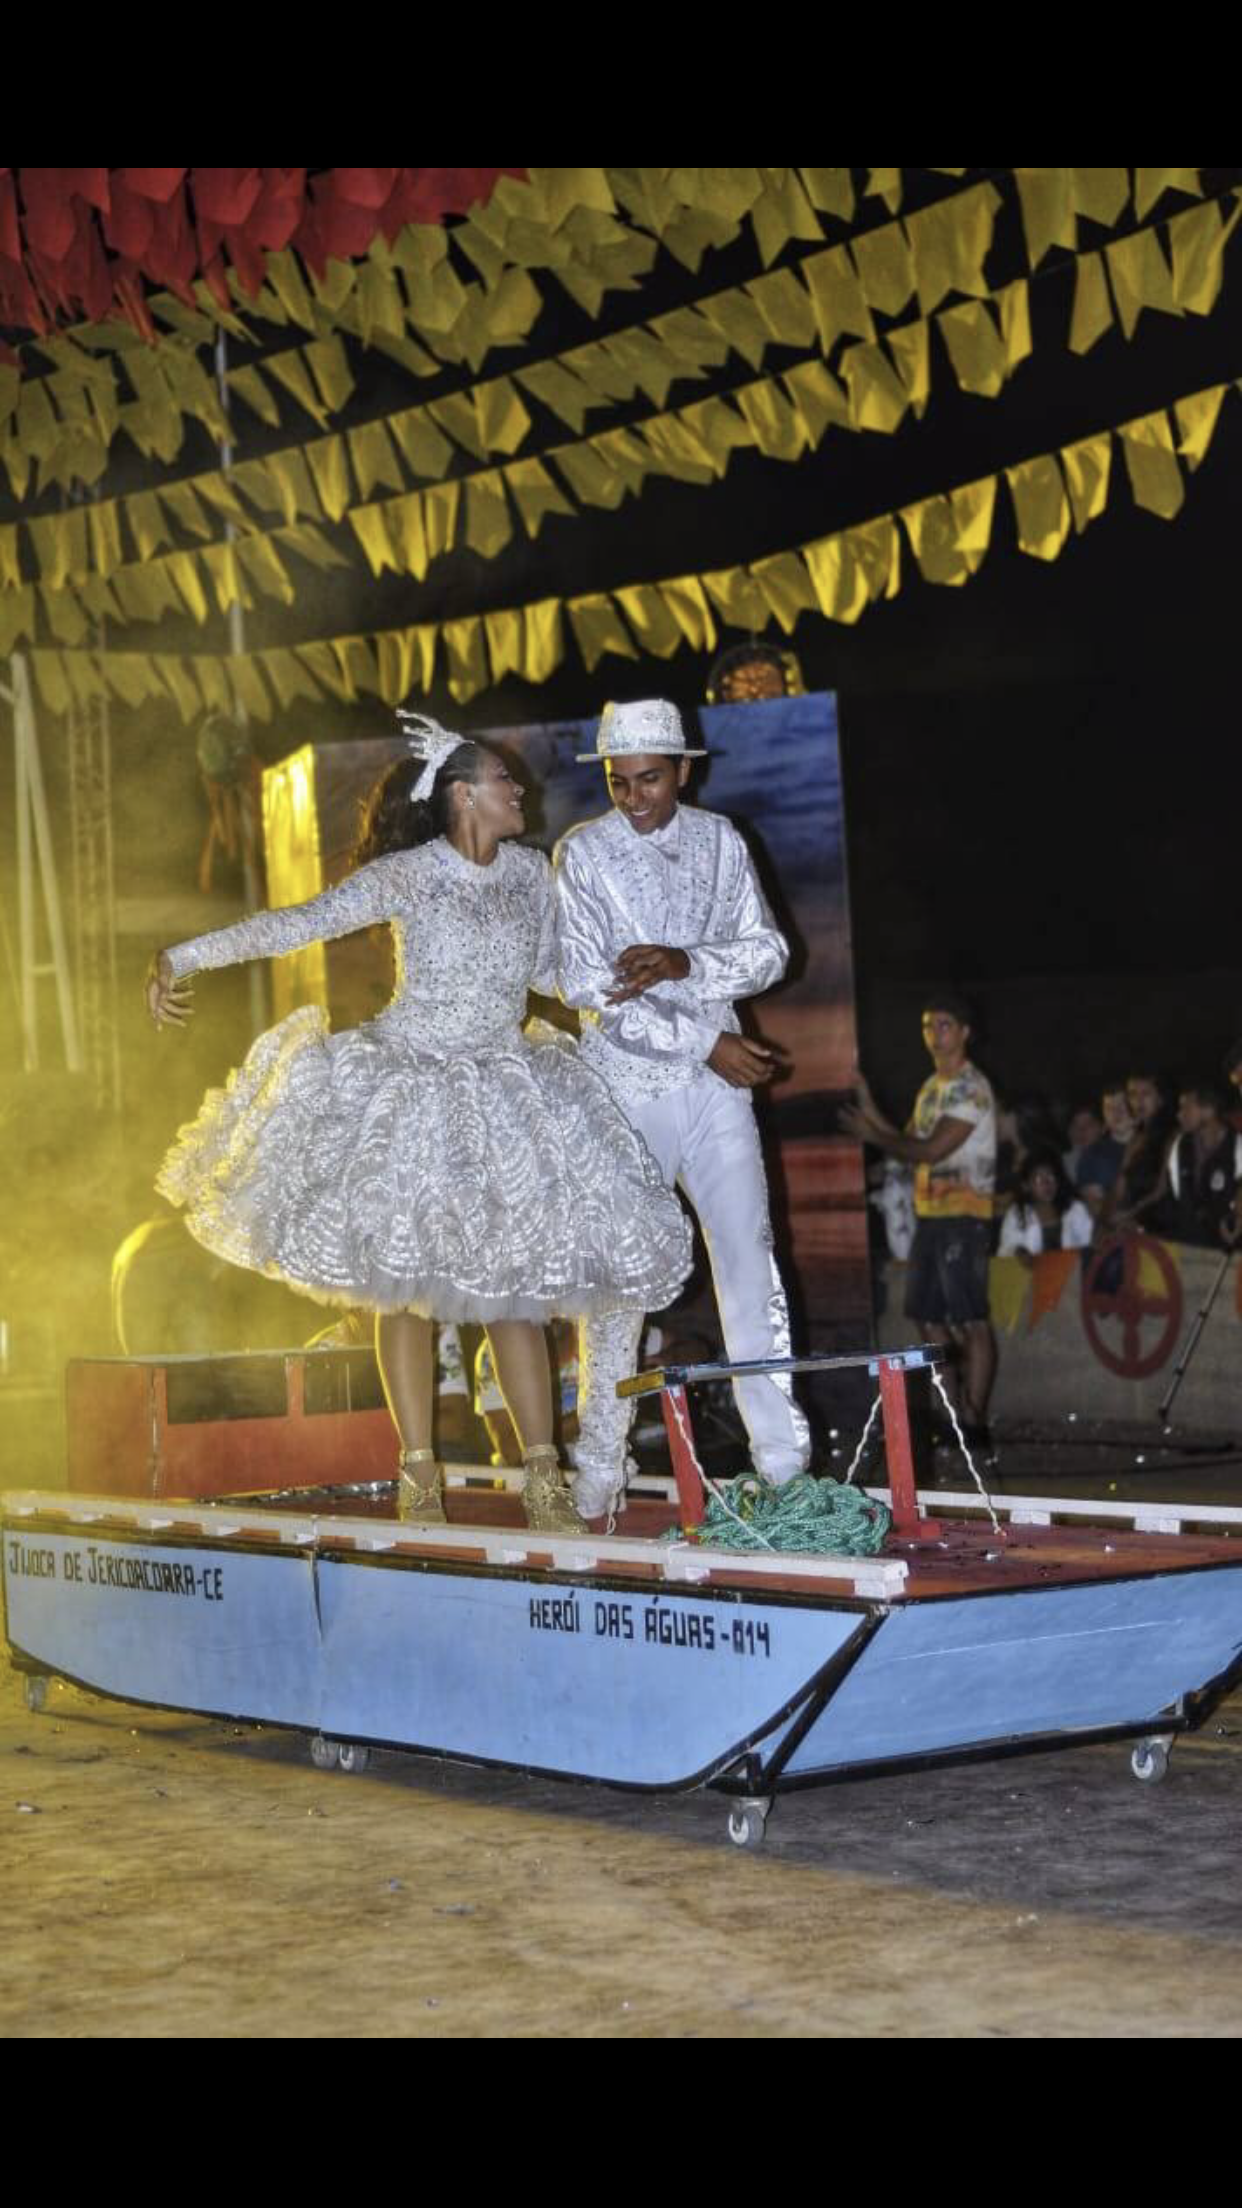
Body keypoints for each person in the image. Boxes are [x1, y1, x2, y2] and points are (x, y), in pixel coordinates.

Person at [146, 714, 691, 1535]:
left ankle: (543, 1477)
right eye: (504, 780)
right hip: (412, 1087)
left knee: (516, 1293)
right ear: (464, 794)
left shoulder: (530, 872)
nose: (520, 790)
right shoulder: (407, 875)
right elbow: (296, 923)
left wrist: (652, 976)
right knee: (403, 1295)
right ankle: (420, 1474)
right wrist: (180, 957)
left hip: (504, 1088)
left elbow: (554, 974)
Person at [554, 696, 811, 1520]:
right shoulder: (582, 852)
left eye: (650, 780)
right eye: (618, 781)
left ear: (684, 771)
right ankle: (600, 1468)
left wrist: (683, 963)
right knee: (619, 1280)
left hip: (717, 1089)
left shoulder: (722, 840)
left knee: (749, 1260)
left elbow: (769, 952)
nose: (633, 797)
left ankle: (783, 1466)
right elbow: (589, 988)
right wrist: (705, 1041)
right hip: (628, 1088)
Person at [843, 994, 998, 1447]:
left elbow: (929, 1151)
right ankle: (953, 1414)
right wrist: (868, 1102)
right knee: (926, 1317)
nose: (934, 1034)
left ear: (965, 1032)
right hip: (929, 1216)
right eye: (929, 1025)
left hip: (964, 1215)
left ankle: (974, 1419)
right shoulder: (932, 1087)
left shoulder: (970, 1087)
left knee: (971, 1317)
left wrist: (873, 1135)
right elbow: (904, 1140)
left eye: (944, 1025)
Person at [998, 1149, 1094, 1263]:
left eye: (1051, 1176)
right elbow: (1005, 1251)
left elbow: (1088, 1245)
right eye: (1039, 1179)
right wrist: (1017, 1251)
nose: (1047, 1183)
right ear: (1026, 1186)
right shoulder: (1016, 1214)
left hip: (1072, 1271)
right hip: (1030, 1273)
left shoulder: (1075, 1208)